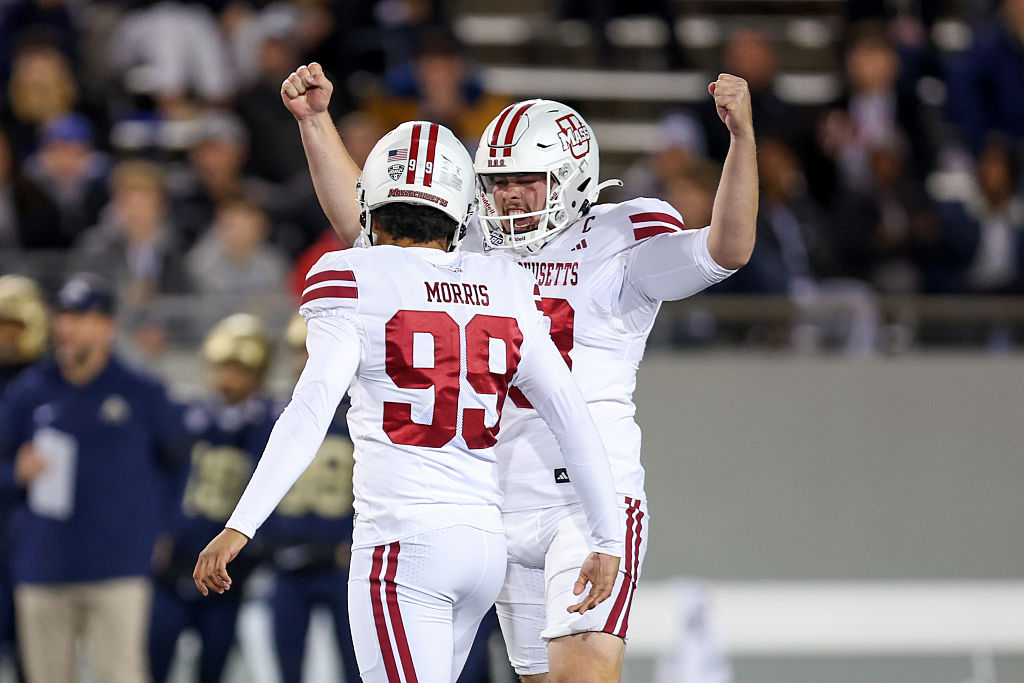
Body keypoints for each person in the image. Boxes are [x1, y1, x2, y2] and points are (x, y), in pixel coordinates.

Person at [283, 62, 757, 681]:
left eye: (526, 181)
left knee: (581, 675)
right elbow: (369, 224)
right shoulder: (471, 240)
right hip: (495, 500)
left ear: (571, 176)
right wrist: (316, 122)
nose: (508, 195)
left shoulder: (618, 239)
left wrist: (741, 139)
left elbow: (727, 249)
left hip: (587, 500)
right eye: (497, 181)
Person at [193, 121, 624, 683]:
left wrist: (241, 524)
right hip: (484, 545)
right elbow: (571, 415)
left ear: (372, 204)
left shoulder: (351, 276)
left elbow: (310, 409)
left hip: (404, 544)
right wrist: (607, 535)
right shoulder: (502, 280)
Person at [0, 273, 190, 683]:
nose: (67, 327)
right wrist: (15, 473)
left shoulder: (142, 392)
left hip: (118, 565)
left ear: (107, 326)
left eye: (80, 317)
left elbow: (179, 462)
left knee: (121, 674)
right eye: (63, 316)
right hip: (43, 564)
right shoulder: (28, 393)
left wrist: (164, 529)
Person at [149, 313, 277, 683]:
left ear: (258, 373)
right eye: (223, 368)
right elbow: (162, 478)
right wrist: (161, 532)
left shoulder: (270, 424)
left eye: (239, 370)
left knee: (214, 663)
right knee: (156, 655)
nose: (228, 379)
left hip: (231, 567)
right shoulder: (188, 417)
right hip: (179, 558)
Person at [261, 313, 360, 683]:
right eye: (299, 351)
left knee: (358, 668)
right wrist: (268, 543)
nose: (305, 360)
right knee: (287, 667)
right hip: (288, 561)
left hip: (342, 564)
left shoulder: (360, 412)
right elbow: (257, 480)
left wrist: (355, 541)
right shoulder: (275, 414)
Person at [0, 274, 48, 681]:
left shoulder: (52, 378)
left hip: (41, 528)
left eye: (14, 324)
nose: (7, 335)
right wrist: (12, 475)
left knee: (33, 647)